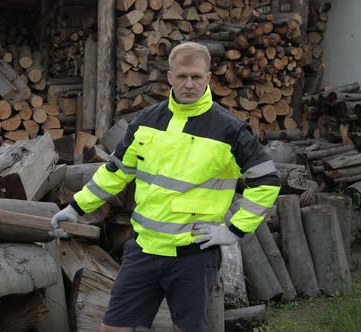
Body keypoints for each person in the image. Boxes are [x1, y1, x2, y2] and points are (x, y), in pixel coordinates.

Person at [51, 42, 281, 332]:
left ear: (208, 78)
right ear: (170, 77)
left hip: (193, 256)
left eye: (196, 77)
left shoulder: (229, 130)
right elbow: (115, 172)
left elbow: (267, 181)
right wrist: (76, 208)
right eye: (182, 76)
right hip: (143, 250)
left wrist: (233, 230)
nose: (189, 84)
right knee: (112, 328)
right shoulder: (147, 120)